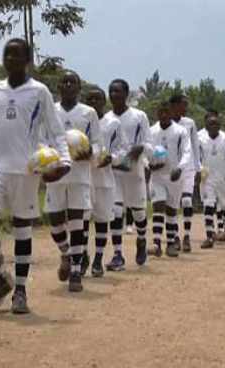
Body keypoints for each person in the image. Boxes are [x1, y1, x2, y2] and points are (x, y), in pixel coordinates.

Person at [0, 38, 71, 314]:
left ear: (27, 60)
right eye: (7, 54)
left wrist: (63, 160)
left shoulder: (39, 91)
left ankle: (20, 291)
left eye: (17, 55)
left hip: (27, 169)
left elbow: (55, 130)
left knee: (22, 228)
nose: (10, 60)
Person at [44, 70, 100, 292]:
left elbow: (97, 142)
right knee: (55, 220)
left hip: (79, 174)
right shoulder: (51, 111)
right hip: (56, 172)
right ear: (59, 87)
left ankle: (76, 271)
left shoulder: (89, 113)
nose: (68, 85)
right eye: (64, 81)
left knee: (77, 222)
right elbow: (42, 138)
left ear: (79, 88)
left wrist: (90, 153)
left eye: (72, 82)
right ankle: (66, 253)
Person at [106, 79, 153, 271]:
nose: (114, 95)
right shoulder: (106, 119)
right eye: (111, 92)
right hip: (114, 172)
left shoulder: (139, 116)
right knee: (116, 211)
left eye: (118, 91)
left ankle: (141, 239)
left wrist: (139, 148)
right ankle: (118, 254)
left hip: (134, 171)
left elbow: (149, 143)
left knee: (138, 212)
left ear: (126, 94)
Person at [85, 87, 128, 277]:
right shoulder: (81, 119)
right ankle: (82, 255)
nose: (93, 102)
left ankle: (97, 259)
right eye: (90, 99)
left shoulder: (113, 123)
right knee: (82, 221)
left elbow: (122, 149)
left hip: (104, 179)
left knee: (102, 221)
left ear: (104, 102)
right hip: (83, 178)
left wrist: (112, 158)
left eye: (97, 99)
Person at [148, 102, 192, 257]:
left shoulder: (180, 131)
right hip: (157, 175)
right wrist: (149, 165)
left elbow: (187, 152)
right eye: (161, 112)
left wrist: (180, 168)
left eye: (167, 112)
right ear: (157, 113)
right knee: (158, 205)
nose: (164, 115)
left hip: (175, 175)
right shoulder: (152, 131)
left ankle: (172, 242)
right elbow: (147, 151)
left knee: (172, 210)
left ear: (171, 113)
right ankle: (157, 243)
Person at [198, 111, 225, 248]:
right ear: (206, 126)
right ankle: (209, 237)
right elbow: (196, 157)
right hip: (207, 178)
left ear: (220, 126)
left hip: (223, 178)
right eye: (210, 124)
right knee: (208, 206)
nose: (213, 126)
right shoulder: (200, 139)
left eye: (216, 124)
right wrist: (198, 170)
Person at [169, 94, 200, 252]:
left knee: (187, 201)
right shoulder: (166, 121)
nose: (186, 107)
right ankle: (174, 236)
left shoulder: (190, 123)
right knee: (173, 203)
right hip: (171, 168)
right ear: (174, 105)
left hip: (188, 168)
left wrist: (198, 168)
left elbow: (195, 145)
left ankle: (186, 236)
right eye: (183, 104)